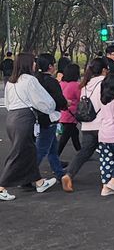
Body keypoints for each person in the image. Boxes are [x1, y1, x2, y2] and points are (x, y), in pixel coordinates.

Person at [0, 53, 58, 201]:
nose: (35, 65)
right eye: (33, 62)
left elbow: (7, 103)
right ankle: (1, 187)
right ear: (28, 64)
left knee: (29, 151)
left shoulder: (12, 81)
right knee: (18, 153)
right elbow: (42, 101)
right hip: (24, 119)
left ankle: (39, 182)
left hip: (12, 118)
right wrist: (52, 109)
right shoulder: (30, 80)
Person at [61, 57, 108, 193]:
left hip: (87, 124)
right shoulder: (105, 83)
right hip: (102, 124)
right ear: (104, 70)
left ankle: (68, 174)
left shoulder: (85, 84)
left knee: (84, 152)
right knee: (112, 151)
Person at [35, 53, 68, 183]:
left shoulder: (36, 80)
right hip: (49, 118)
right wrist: (66, 104)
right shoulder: (51, 81)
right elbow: (59, 99)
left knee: (52, 148)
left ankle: (59, 172)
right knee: (42, 150)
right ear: (50, 66)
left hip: (39, 117)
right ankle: (27, 175)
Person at [58, 63, 81, 156]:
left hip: (62, 113)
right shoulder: (76, 85)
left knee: (74, 132)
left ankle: (80, 151)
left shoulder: (61, 84)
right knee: (65, 137)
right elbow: (80, 98)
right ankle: (55, 156)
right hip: (71, 115)